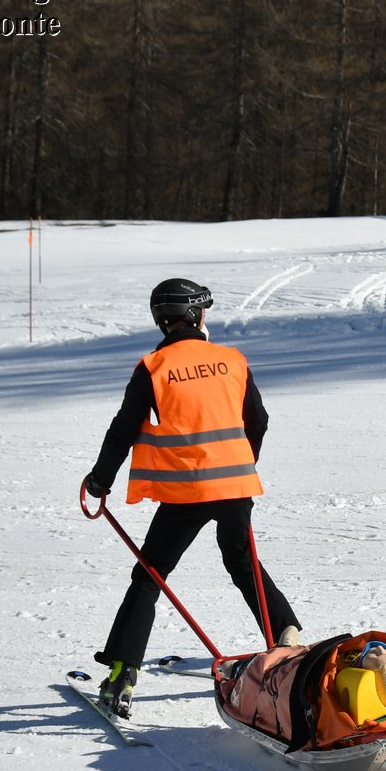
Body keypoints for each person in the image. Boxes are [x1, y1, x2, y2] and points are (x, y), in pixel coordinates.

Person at [83, 278, 303, 720]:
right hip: (236, 486)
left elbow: (124, 428)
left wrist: (100, 479)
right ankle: (288, 640)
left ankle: (123, 675)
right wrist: (241, 463)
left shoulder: (154, 366)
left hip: (185, 492)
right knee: (243, 564)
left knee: (150, 576)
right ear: (198, 315)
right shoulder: (231, 360)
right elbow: (257, 419)